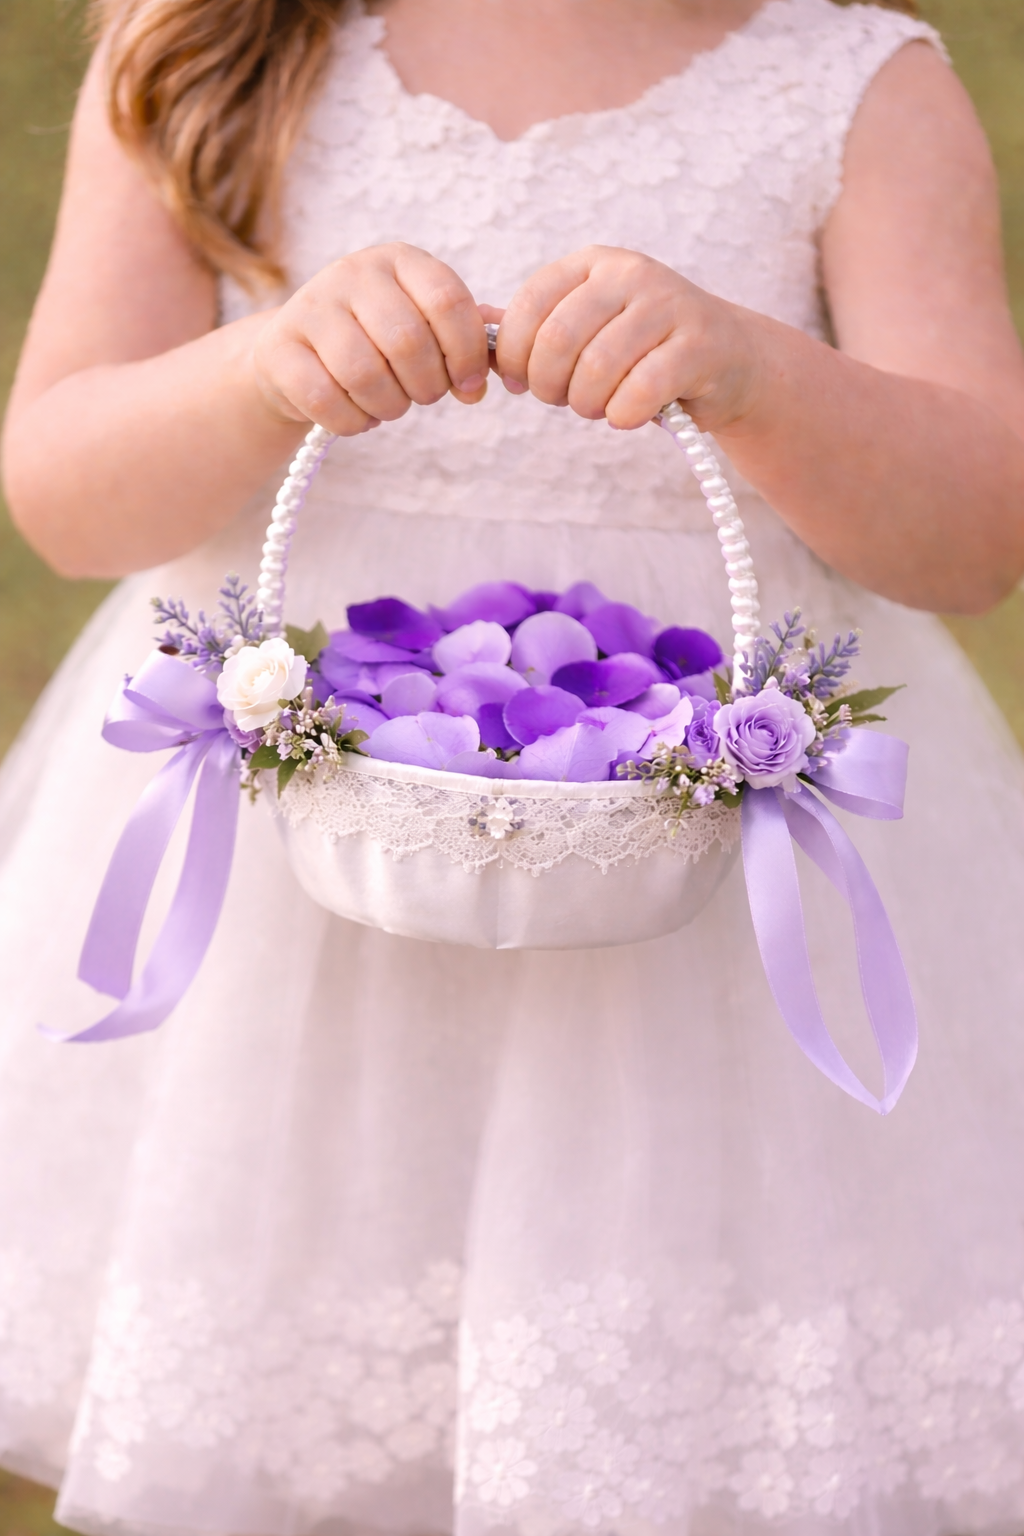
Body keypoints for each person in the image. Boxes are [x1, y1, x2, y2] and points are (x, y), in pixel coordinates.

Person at [2, 0, 1024, 1530]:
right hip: (292, 892)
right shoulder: (204, 46)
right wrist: (264, 372)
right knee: (311, 1405)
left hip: (709, 931)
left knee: (661, 1420)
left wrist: (757, 373)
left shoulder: (853, 85)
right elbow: (68, 504)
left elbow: (976, 532)